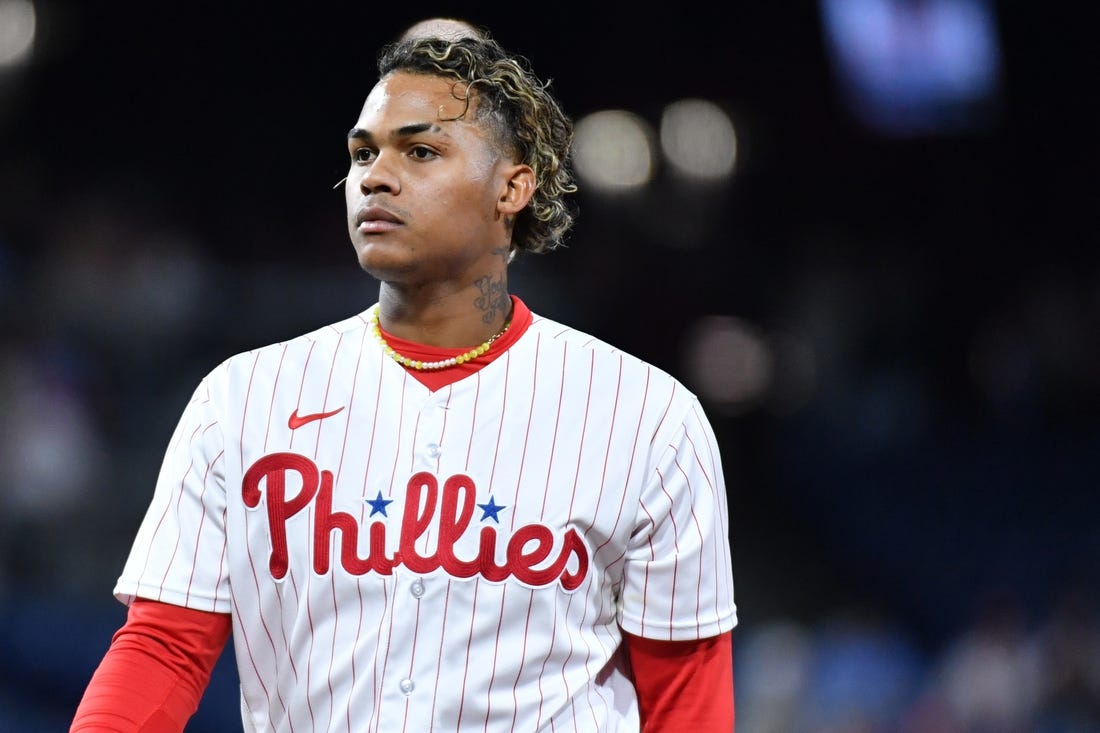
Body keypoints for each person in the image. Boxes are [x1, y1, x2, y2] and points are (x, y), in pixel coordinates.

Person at [70, 17, 737, 732]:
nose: (375, 177)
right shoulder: (241, 399)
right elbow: (164, 647)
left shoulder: (646, 416)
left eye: (420, 150)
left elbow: (685, 695)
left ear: (512, 188)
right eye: (363, 154)